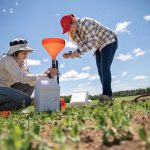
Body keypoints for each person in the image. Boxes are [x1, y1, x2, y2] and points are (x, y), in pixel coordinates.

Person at [60, 14, 118, 102]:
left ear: (74, 21)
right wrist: (70, 53)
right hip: (99, 46)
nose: (70, 30)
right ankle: (108, 96)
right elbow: (82, 47)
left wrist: (78, 51)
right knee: (100, 70)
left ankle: (106, 96)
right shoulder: (76, 33)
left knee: (104, 67)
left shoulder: (85, 22)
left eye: (69, 27)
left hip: (109, 40)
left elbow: (92, 42)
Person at [0, 38, 58, 111]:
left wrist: (45, 73)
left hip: (8, 89)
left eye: (27, 52)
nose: (26, 54)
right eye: (23, 52)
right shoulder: (7, 59)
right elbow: (22, 77)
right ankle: (6, 111)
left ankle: (15, 110)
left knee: (31, 84)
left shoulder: (21, 63)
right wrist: (47, 75)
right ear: (15, 52)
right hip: (1, 90)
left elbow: (30, 78)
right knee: (27, 100)